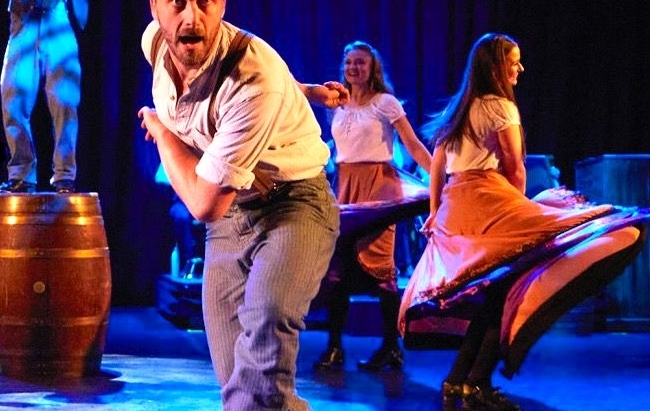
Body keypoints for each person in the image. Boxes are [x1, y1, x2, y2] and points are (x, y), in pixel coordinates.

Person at [400, 33, 647, 411]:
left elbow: (437, 165)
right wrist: (519, 212)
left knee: (494, 295)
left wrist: (436, 211)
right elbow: (515, 167)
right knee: (610, 231)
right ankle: (476, 383)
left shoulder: (460, 108)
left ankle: (459, 380)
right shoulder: (500, 107)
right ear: (496, 67)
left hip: (457, 208)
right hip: (489, 201)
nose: (520, 68)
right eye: (514, 62)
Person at [138, 1, 350, 408]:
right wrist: (307, 91)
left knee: (268, 321)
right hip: (232, 217)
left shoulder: (255, 75)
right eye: (177, 2)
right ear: (154, 7)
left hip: (293, 204)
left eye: (205, 2)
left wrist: (163, 134)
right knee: (240, 380)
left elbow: (204, 205)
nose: (191, 17)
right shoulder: (155, 42)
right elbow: (264, 84)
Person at [313, 40, 433, 372]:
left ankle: (392, 348)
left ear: (372, 68)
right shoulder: (336, 104)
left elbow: (412, 144)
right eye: (349, 62)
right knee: (338, 267)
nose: (354, 67)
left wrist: (440, 179)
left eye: (361, 62)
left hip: (379, 187)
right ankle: (334, 348)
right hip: (345, 187)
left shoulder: (385, 103)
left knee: (380, 266)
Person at [0, 0, 88, 193]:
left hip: (57, 15)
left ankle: (65, 176)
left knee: (65, 101)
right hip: (22, 16)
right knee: (13, 98)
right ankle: (21, 174)